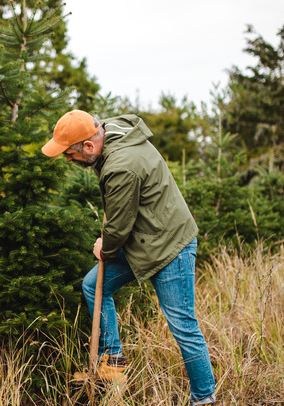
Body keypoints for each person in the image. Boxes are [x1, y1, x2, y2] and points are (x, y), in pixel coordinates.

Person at [41, 110, 216, 405]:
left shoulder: (122, 166)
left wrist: (105, 248)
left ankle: (204, 398)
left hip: (170, 245)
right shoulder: (111, 132)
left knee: (183, 325)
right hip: (144, 239)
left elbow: (119, 227)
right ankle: (114, 363)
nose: (67, 160)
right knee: (93, 285)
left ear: (88, 145)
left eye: (69, 154)